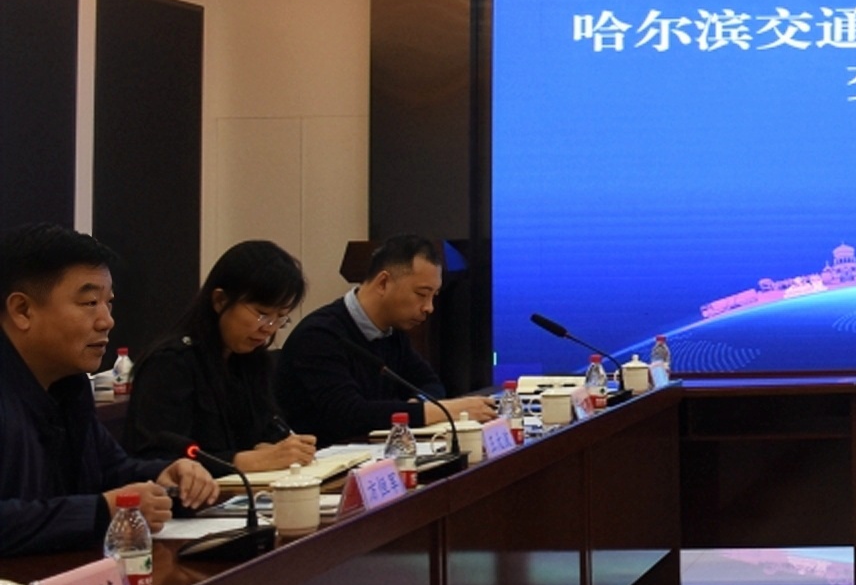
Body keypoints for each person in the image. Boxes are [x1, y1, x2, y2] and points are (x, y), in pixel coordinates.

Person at [0, 223, 218, 556]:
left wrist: (164, 477)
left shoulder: (68, 384)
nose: (107, 321)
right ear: (22, 310)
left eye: (108, 303)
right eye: (89, 302)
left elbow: (111, 470)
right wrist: (101, 511)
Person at [122, 240, 320, 473]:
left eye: (280, 317)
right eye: (262, 314)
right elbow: (157, 458)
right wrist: (244, 461)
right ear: (220, 300)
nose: (269, 328)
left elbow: (266, 431)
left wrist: (277, 448)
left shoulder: (253, 362)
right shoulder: (170, 364)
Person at [276, 235, 496, 442]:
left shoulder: (390, 330)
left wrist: (417, 405)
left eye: (433, 296)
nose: (429, 307)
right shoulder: (319, 336)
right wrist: (441, 410)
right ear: (383, 283)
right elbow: (349, 415)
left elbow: (430, 383)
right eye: (421, 294)